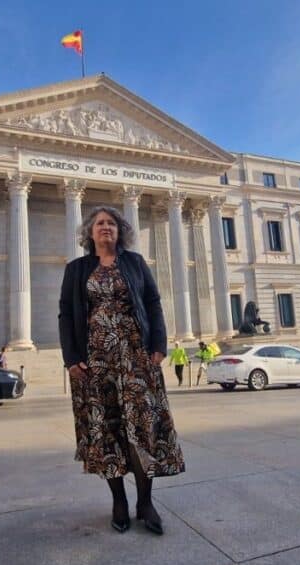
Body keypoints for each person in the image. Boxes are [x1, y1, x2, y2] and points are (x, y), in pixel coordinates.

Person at [58, 206, 185, 535]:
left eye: (111, 223)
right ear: (90, 232)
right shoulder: (77, 269)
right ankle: (119, 501)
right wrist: (71, 358)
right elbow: (66, 315)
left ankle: (146, 501)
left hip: (137, 359)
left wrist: (159, 344)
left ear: (120, 230)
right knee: (107, 431)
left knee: (142, 429)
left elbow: (154, 302)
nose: (106, 228)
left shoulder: (135, 263)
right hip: (95, 363)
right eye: (100, 223)